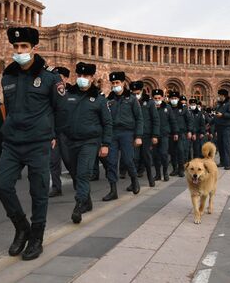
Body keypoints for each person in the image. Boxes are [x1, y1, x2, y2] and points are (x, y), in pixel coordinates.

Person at [0, 27, 66, 261]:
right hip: (12, 143)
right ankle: (22, 226)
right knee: (2, 184)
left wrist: (53, 134)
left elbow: (60, 109)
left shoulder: (50, 78)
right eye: (15, 47)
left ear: (34, 48)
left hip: (38, 143)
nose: (19, 51)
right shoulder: (8, 76)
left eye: (24, 47)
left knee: (39, 192)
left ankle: (36, 237)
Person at [63, 62, 112, 223]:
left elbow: (107, 123)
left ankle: (79, 205)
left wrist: (105, 144)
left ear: (92, 78)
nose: (82, 79)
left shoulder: (99, 98)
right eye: (80, 76)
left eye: (86, 76)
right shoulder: (68, 94)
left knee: (83, 173)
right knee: (76, 174)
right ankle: (87, 200)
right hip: (71, 141)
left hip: (90, 142)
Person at [103, 71, 143, 201]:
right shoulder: (109, 100)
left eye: (117, 83)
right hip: (112, 133)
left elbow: (139, 118)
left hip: (127, 133)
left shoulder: (131, 99)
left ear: (123, 83)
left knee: (127, 159)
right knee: (111, 162)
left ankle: (134, 180)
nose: (115, 85)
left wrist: (138, 136)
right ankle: (113, 190)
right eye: (113, 83)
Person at [49, 66, 74, 197]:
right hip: (54, 132)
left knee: (69, 160)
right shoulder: (51, 93)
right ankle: (56, 187)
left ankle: (78, 182)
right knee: (53, 161)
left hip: (67, 132)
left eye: (60, 77)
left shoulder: (72, 92)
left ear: (65, 78)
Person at [130, 81, 160, 188]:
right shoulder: (130, 101)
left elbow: (155, 119)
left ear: (142, 91)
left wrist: (155, 135)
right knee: (133, 158)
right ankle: (133, 182)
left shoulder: (150, 102)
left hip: (146, 134)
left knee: (146, 157)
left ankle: (150, 177)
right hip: (134, 134)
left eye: (137, 92)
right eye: (133, 93)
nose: (135, 95)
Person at [151, 89, 178, 181]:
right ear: (152, 98)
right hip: (153, 135)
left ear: (162, 98)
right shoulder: (151, 107)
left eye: (159, 98)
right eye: (155, 98)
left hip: (164, 134)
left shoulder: (167, 107)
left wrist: (175, 132)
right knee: (155, 156)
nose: (157, 100)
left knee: (164, 154)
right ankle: (158, 174)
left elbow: (172, 121)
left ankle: (165, 173)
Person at [168, 91, 191, 177]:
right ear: (169, 99)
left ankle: (181, 169)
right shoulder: (168, 107)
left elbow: (189, 120)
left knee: (181, 151)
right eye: (172, 98)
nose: (174, 100)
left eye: (175, 98)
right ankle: (175, 169)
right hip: (171, 133)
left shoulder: (183, 108)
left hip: (181, 133)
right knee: (173, 152)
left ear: (178, 99)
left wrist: (189, 131)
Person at [213, 89, 230, 170]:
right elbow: (216, 115)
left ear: (223, 96)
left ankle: (228, 164)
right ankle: (222, 162)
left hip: (226, 127)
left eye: (219, 95)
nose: (218, 97)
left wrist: (223, 115)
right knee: (220, 145)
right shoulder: (219, 105)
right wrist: (210, 123)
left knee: (226, 145)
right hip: (219, 127)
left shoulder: (229, 104)